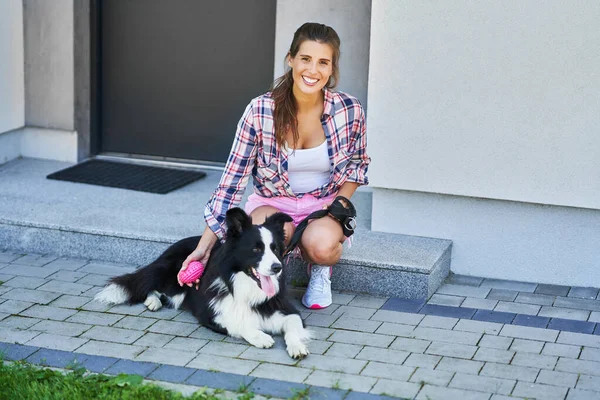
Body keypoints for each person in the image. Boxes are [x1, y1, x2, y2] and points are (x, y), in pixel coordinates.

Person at [179, 22, 370, 309]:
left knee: (321, 246)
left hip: (324, 205)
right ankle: (265, 279)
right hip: (273, 202)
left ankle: (319, 270)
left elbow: (358, 163)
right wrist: (205, 247)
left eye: (323, 62)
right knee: (258, 236)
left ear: (332, 69)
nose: (313, 70)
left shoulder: (349, 109)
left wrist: (342, 201)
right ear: (291, 59)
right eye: (305, 59)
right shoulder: (260, 111)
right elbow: (232, 181)